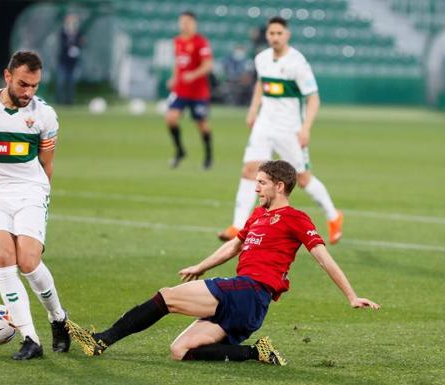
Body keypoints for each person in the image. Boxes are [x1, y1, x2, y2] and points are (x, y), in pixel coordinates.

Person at [66, 160, 379, 364]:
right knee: (181, 351)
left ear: (279, 187)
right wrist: (202, 265)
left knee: (167, 297)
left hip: (249, 291)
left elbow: (324, 259)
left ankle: (101, 341)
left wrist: (351, 296)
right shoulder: (258, 215)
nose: (255, 188)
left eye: (261, 183)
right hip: (248, 307)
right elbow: (234, 246)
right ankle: (255, 353)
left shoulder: (295, 218)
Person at [0, 51, 70, 359]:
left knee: (28, 261)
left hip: (30, 192)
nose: (28, 93)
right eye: (23, 84)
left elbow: (47, 165)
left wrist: (40, 198)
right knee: (4, 255)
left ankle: (58, 318)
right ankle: (30, 338)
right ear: (7, 76)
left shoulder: (45, 116)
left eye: (34, 86)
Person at [217, 17, 344, 245]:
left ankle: (334, 217)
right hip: (265, 124)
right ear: (267, 35)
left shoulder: (298, 63)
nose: (275, 37)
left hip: (289, 129)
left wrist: (306, 128)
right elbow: (261, 85)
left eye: (279, 33)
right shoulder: (262, 59)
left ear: (287, 35)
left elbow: (313, 99)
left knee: (303, 179)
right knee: (249, 170)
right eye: (271, 33)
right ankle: (237, 225)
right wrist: (253, 110)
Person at [165, 11, 214, 170]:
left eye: (187, 22)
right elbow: (178, 63)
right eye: (182, 22)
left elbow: (208, 65)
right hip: (181, 89)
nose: (184, 24)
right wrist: (174, 78)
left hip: (198, 91)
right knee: (171, 118)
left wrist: (193, 75)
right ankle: (180, 151)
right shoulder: (177, 41)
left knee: (202, 125)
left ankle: (208, 157)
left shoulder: (201, 42)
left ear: (194, 23)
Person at [56, 13, 84, 105]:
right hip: (63, 61)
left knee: (71, 83)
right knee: (61, 81)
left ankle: (69, 102)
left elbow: (81, 42)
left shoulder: (78, 32)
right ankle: (59, 101)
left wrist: (76, 47)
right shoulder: (63, 32)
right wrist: (70, 47)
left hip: (73, 62)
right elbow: (63, 44)